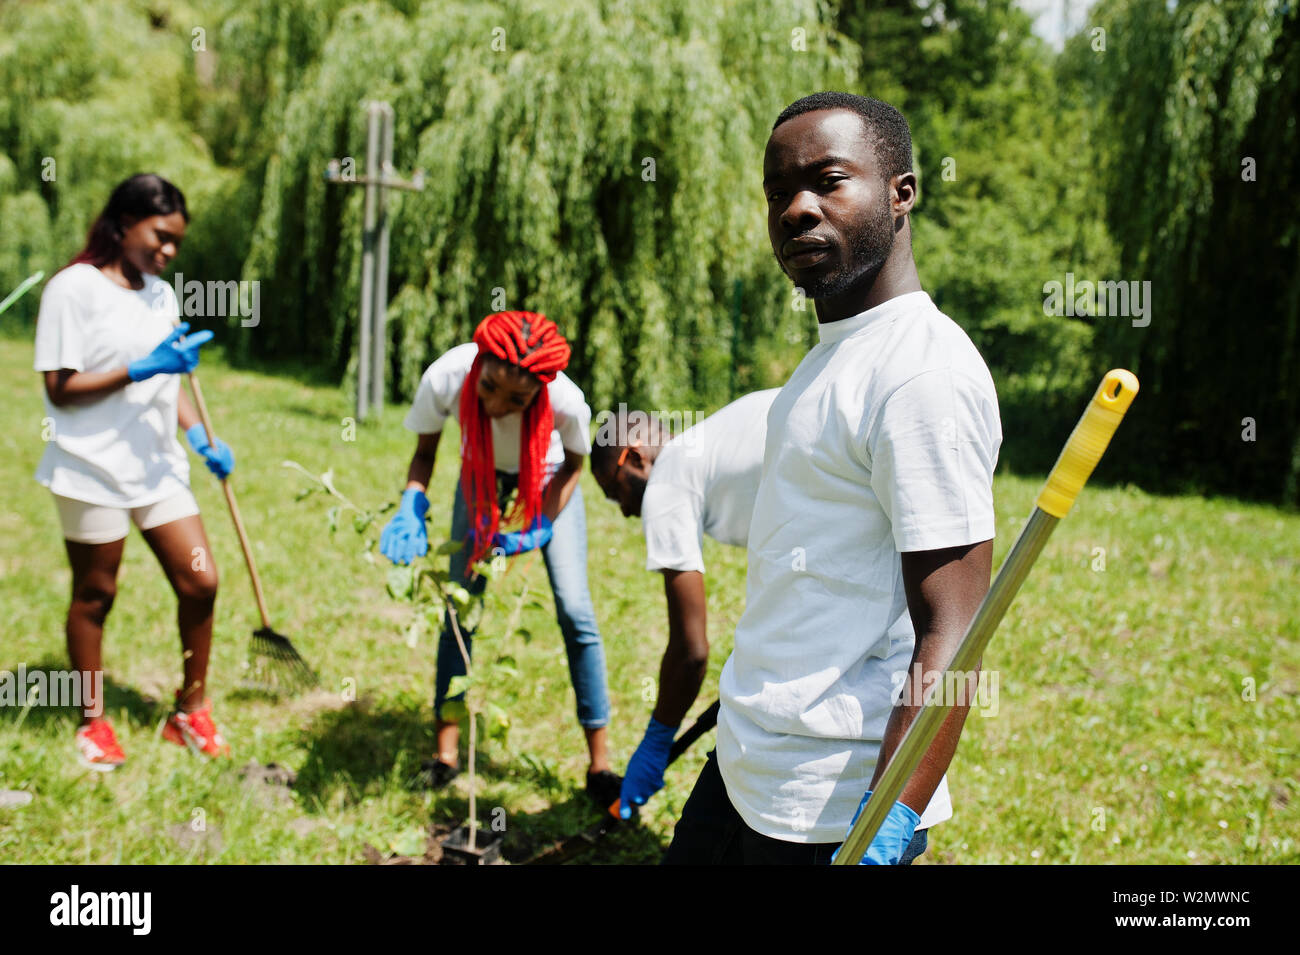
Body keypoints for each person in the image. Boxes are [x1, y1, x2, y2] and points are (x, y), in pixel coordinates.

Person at [663, 92, 1003, 865]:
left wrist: (887, 818)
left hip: (835, 802)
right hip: (749, 768)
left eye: (827, 180)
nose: (795, 209)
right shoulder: (833, 353)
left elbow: (952, 634)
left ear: (901, 192)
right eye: (778, 191)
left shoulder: (923, 374)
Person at [34, 173, 236, 770]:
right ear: (123, 224)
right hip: (89, 466)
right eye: (161, 236)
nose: (169, 251)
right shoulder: (72, 290)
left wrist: (199, 434)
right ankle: (92, 721)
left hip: (156, 467)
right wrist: (140, 367)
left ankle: (188, 711)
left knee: (201, 580)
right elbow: (61, 389)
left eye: (176, 241)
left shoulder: (159, 294)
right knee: (96, 593)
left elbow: (169, 381)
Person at [381, 310, 620, 805]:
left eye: (517, 399)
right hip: (479, 478)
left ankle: (600, 766)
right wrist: (411, 501)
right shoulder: (446, 376)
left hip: (547, 477)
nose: (495, 405)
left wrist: (541, 524)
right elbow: (425, 454)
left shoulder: (566, 400)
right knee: (459, 609)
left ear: (541, 389)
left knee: (575, 612)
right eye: (489, 387)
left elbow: (574, 466)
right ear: (479, 363)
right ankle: (445, 755)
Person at [589, 390, 777, 817]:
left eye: (613, 492)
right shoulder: (721, 436)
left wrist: (658, 738)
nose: (621, 511)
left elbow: (690, 653)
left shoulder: (668, 479)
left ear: (635, 457)